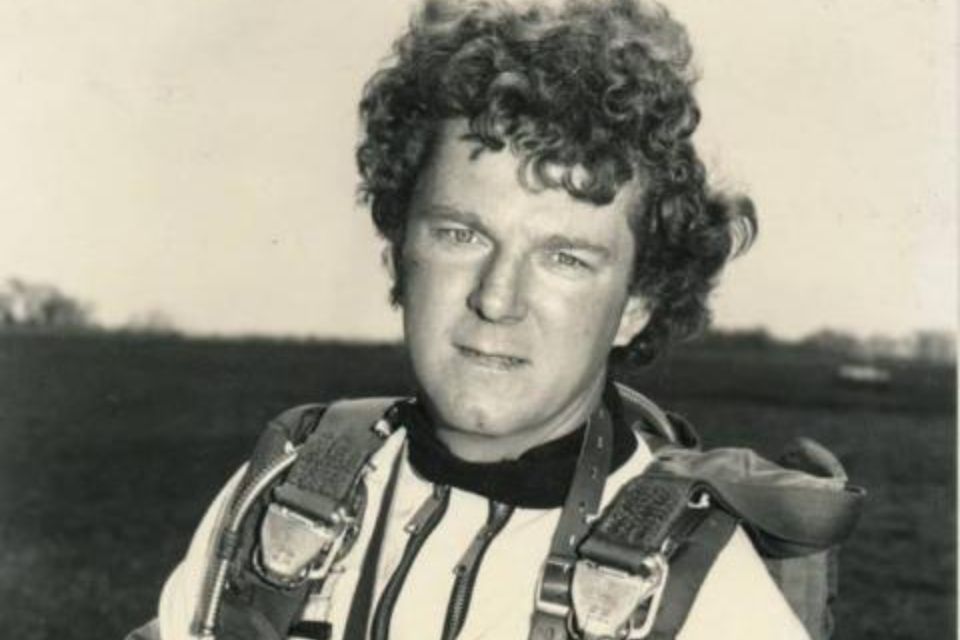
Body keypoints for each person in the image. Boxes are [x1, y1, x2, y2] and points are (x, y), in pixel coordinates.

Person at [129, 0, 829, 638]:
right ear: (401, 250)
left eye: (565, 258)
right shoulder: (281, 497)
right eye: (462, 235)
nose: (497, 298)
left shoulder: (705, 595)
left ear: (637, 303)